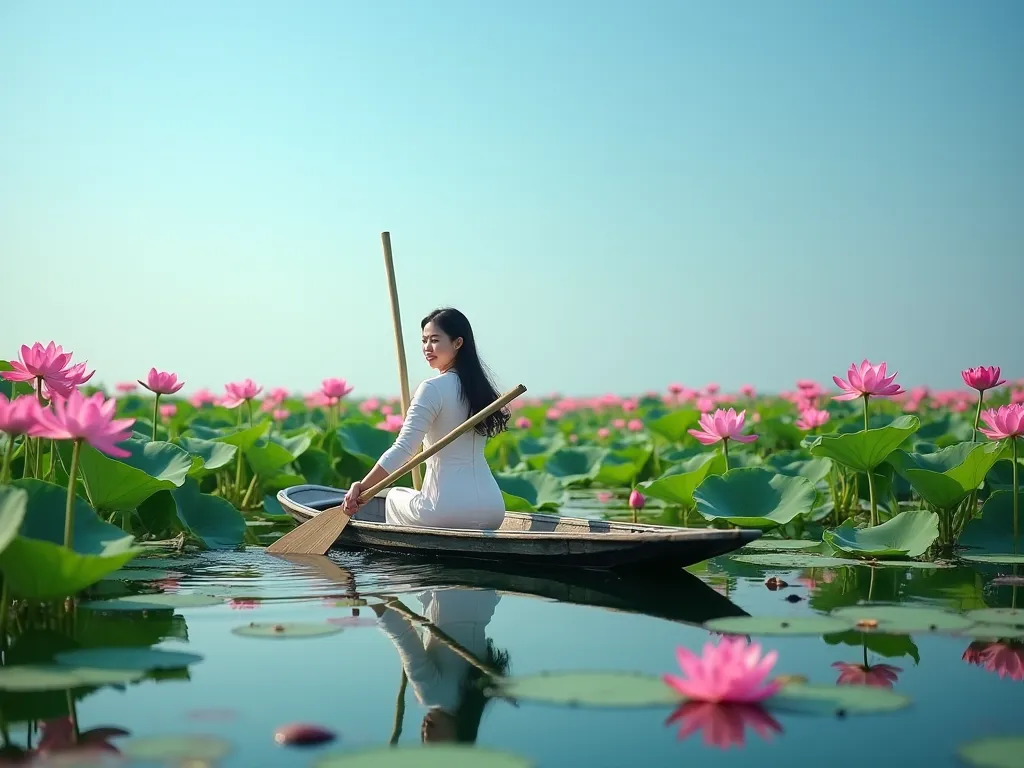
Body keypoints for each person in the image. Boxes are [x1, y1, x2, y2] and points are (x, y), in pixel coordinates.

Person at [342, 307, 510, 529]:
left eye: (434, 340)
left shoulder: (432, 388)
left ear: (458, 343)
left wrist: (362, 488)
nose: (427, 348)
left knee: (392, 498)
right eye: (424, 341)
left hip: (447, 509)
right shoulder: (481, 389)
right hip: (493, 508)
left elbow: (404, 448)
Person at [370, 588, 510, 743]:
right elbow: (402, 634)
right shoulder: (432, 695)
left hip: (487, 593)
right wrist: (369, 597)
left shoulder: (478, 694)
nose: (425, 736)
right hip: (447, 588)